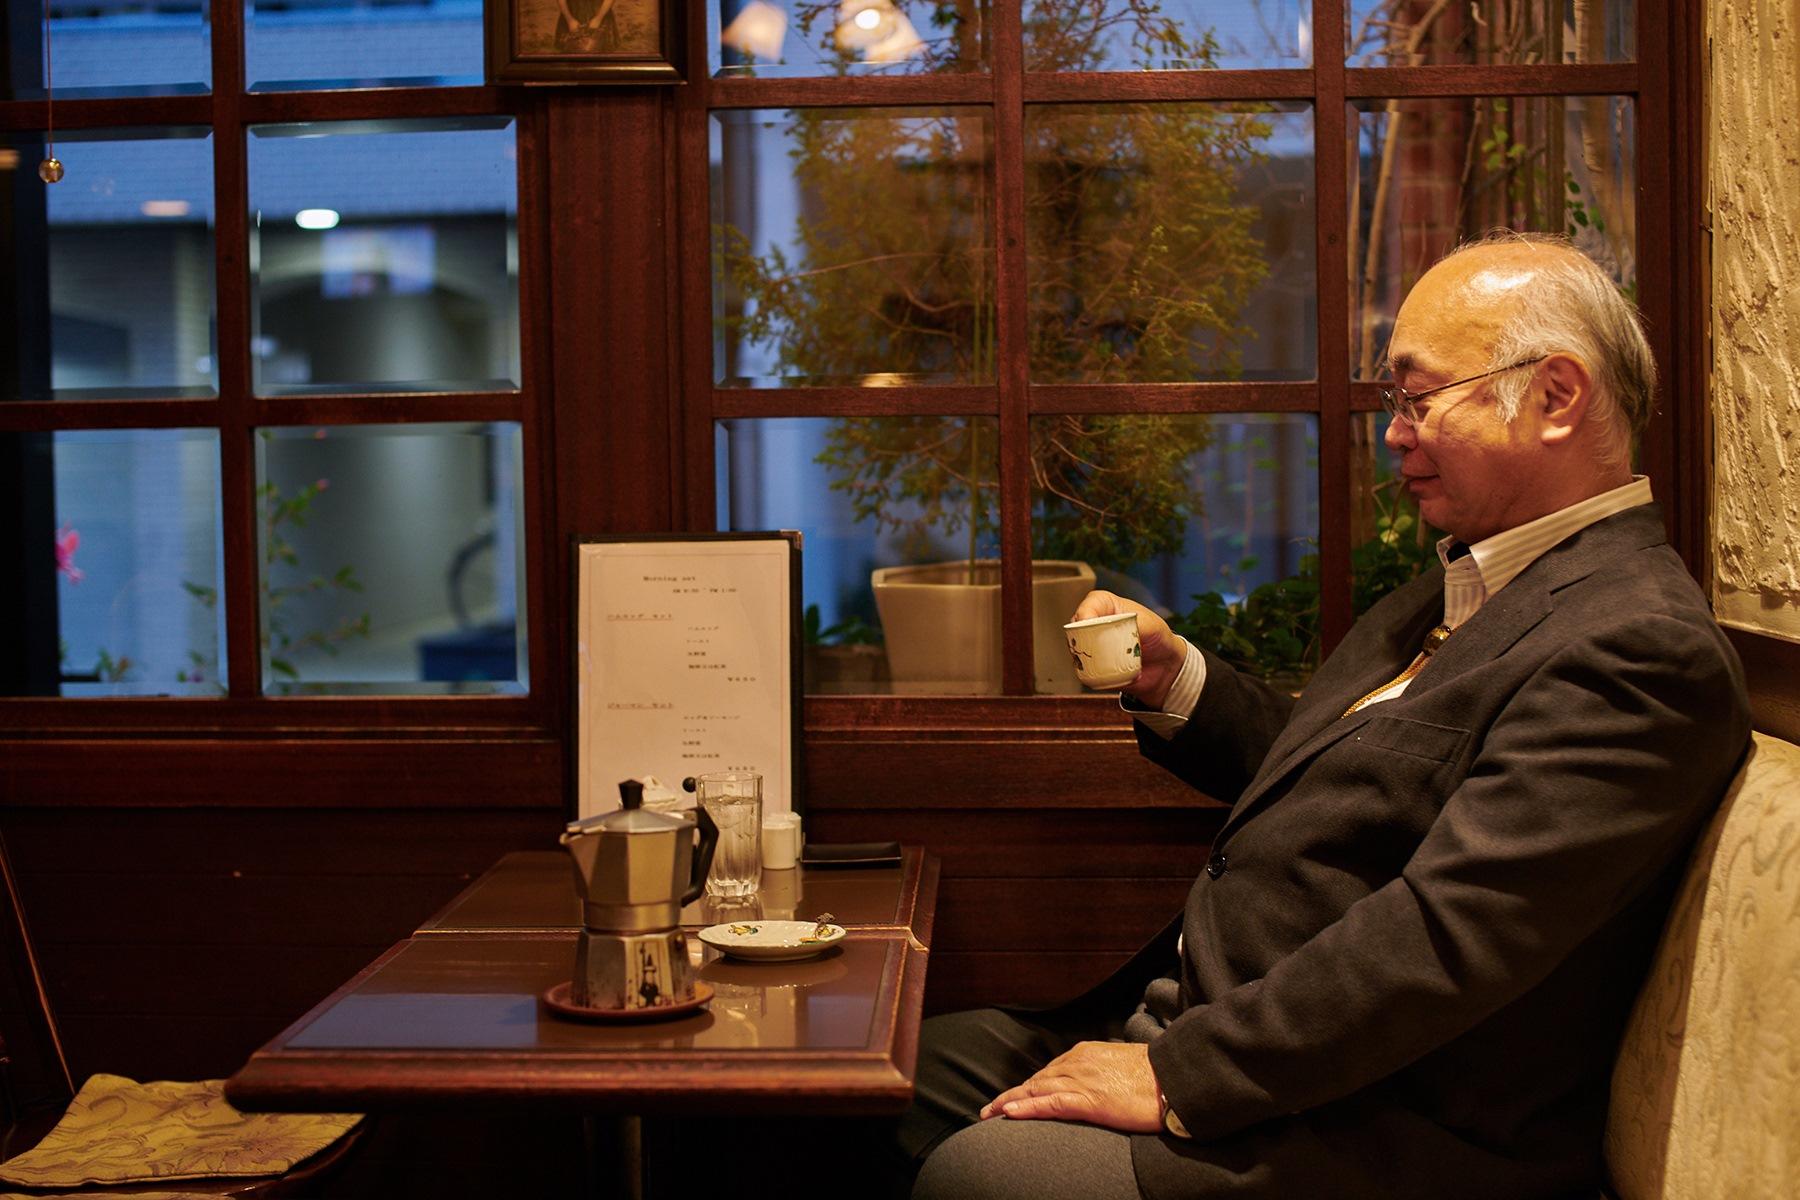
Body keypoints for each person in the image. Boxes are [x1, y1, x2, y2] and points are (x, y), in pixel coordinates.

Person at [898, 231, 1752, 1199]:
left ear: (1556, 396)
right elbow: (1344, 781)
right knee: (887, 1085)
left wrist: (1176, 1075)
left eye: (1419, 397)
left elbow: (1448, 939)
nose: (1394, 433)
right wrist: (1175, 680)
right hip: (1212, 1025)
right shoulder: (1464, 584)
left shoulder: (1639, 649)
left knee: (985, 1175)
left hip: (1363, 1122)